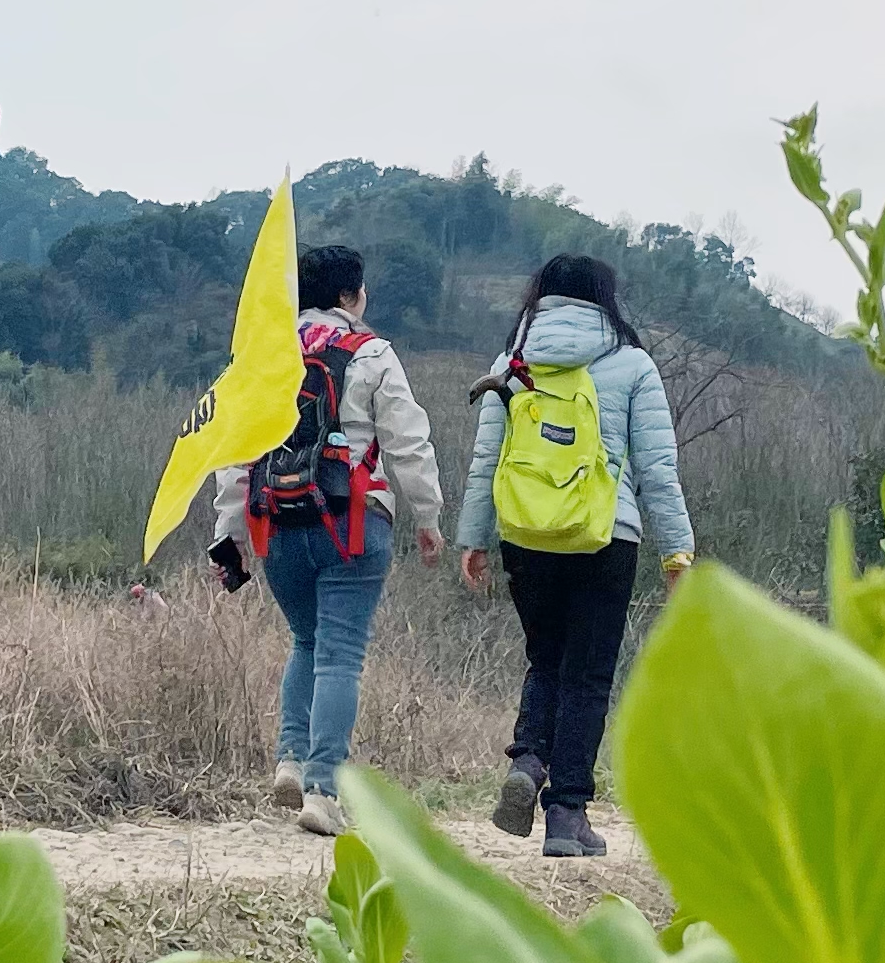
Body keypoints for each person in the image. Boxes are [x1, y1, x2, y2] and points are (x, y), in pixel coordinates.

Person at [455, 253, 693, 857]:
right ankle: (566, 815)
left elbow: (487, 462)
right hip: (606, 535)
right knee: (587, 674)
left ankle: (528, 760)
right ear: (603, 299)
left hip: (524, 534)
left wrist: (473, 538)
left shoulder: (512, 362)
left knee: (545, 660)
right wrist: (678, 552)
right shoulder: (633, 364)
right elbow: (657, 470)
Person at [205, 244, 444, 837]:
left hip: (277, 525)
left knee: (306, 641)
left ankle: (290, 758)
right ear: (348, 295)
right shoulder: (372, 353)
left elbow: (234, 454)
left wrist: (229, 532)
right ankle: (323, 789)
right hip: (354, 524)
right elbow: (408, 441)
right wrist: (428, 516)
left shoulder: (263, 357)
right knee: (340, 653)